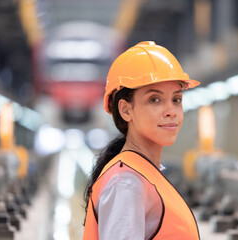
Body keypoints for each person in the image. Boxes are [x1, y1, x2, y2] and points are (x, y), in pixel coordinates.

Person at [83, 41, 200, 240]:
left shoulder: (143, 173)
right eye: (155, 100)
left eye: (176, 100)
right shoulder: (126, 183)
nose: (171, 111)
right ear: (126, 110)